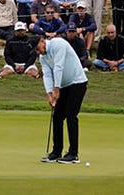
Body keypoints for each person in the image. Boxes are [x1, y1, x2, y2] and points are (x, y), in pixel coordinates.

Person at [37, 33, 88, 163]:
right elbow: (47, 75)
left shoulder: (58, 44)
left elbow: (59, 67)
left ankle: (73, 154)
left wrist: (56, 89)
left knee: (71, 115)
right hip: (64, 85)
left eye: (38, 48)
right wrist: (49, 94)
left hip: (77, 82)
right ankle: (56, 151)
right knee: (57, 116)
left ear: (42, 41)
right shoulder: (43, 57)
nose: (38, 52)